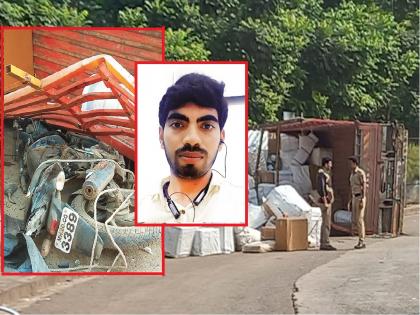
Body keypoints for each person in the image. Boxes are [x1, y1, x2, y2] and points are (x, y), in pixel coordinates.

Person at [138, 73, 244, 224]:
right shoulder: (141, 212)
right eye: (178, 125)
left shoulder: (239, 206)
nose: (192, 139)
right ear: (161, 136)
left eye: (206, 126)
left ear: (221, 138)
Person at [316, 157, 336, 250]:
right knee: (326, 223)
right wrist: (325, 201)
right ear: (326, 164)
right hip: (325, 202)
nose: (331, 166)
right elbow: (322, 188)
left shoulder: (326, 174)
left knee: (326, 222)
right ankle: (325, 243)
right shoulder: (321, 174)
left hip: (328, 200)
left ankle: (324, 241)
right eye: (330, 164)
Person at [348, 156, 367, 249]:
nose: (350, 165)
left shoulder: (360, 173)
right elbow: (351, 187)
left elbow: (364, 186)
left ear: (355, 163)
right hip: (354, 197)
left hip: (359, 197)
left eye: (351, 163)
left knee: (359, 219)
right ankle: (359, 237)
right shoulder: (352, 174)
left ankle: (362, 240)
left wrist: (362, 199)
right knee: (355, 219)